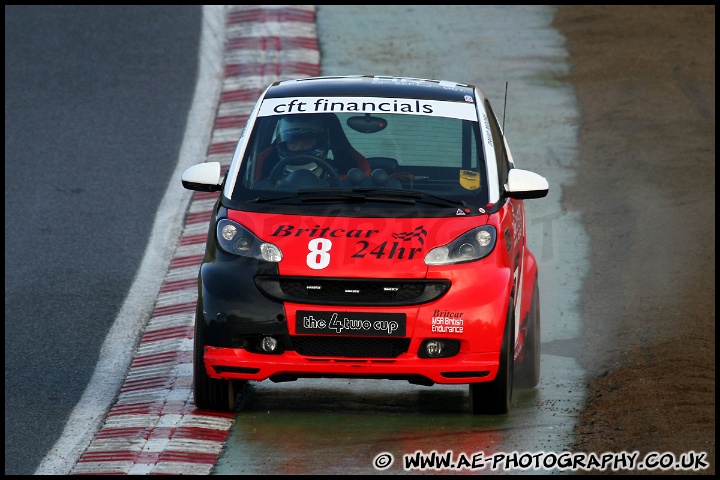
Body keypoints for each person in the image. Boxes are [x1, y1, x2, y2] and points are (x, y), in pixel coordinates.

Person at [255, 113, 371, 184]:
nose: (300, 147)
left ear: (322, 142)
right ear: (283, 145)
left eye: (307, 141)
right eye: (293, 142)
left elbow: (363, 177)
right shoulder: (268, 182)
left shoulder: (345, 178)